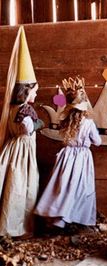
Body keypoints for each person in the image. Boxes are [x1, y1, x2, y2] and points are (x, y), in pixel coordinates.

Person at [34, 76, 102, 230]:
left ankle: (57, 218)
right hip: (82, 158)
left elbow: (62, 137)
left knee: (62, 187)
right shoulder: (89, 123)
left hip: (67, 156)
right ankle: (72, 218)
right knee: (79, 188)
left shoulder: (65, 121)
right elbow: (97, 142)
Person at [0, 27, 44, 238]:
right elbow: (26, 127)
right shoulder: (26, 110)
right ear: (26, 90)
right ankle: (16, 227)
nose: (35, 94)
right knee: (20, 186)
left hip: (12, 150)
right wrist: (39, 124)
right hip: (21, 152)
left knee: (12, 184)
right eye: (34, 91)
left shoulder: (11, 108)